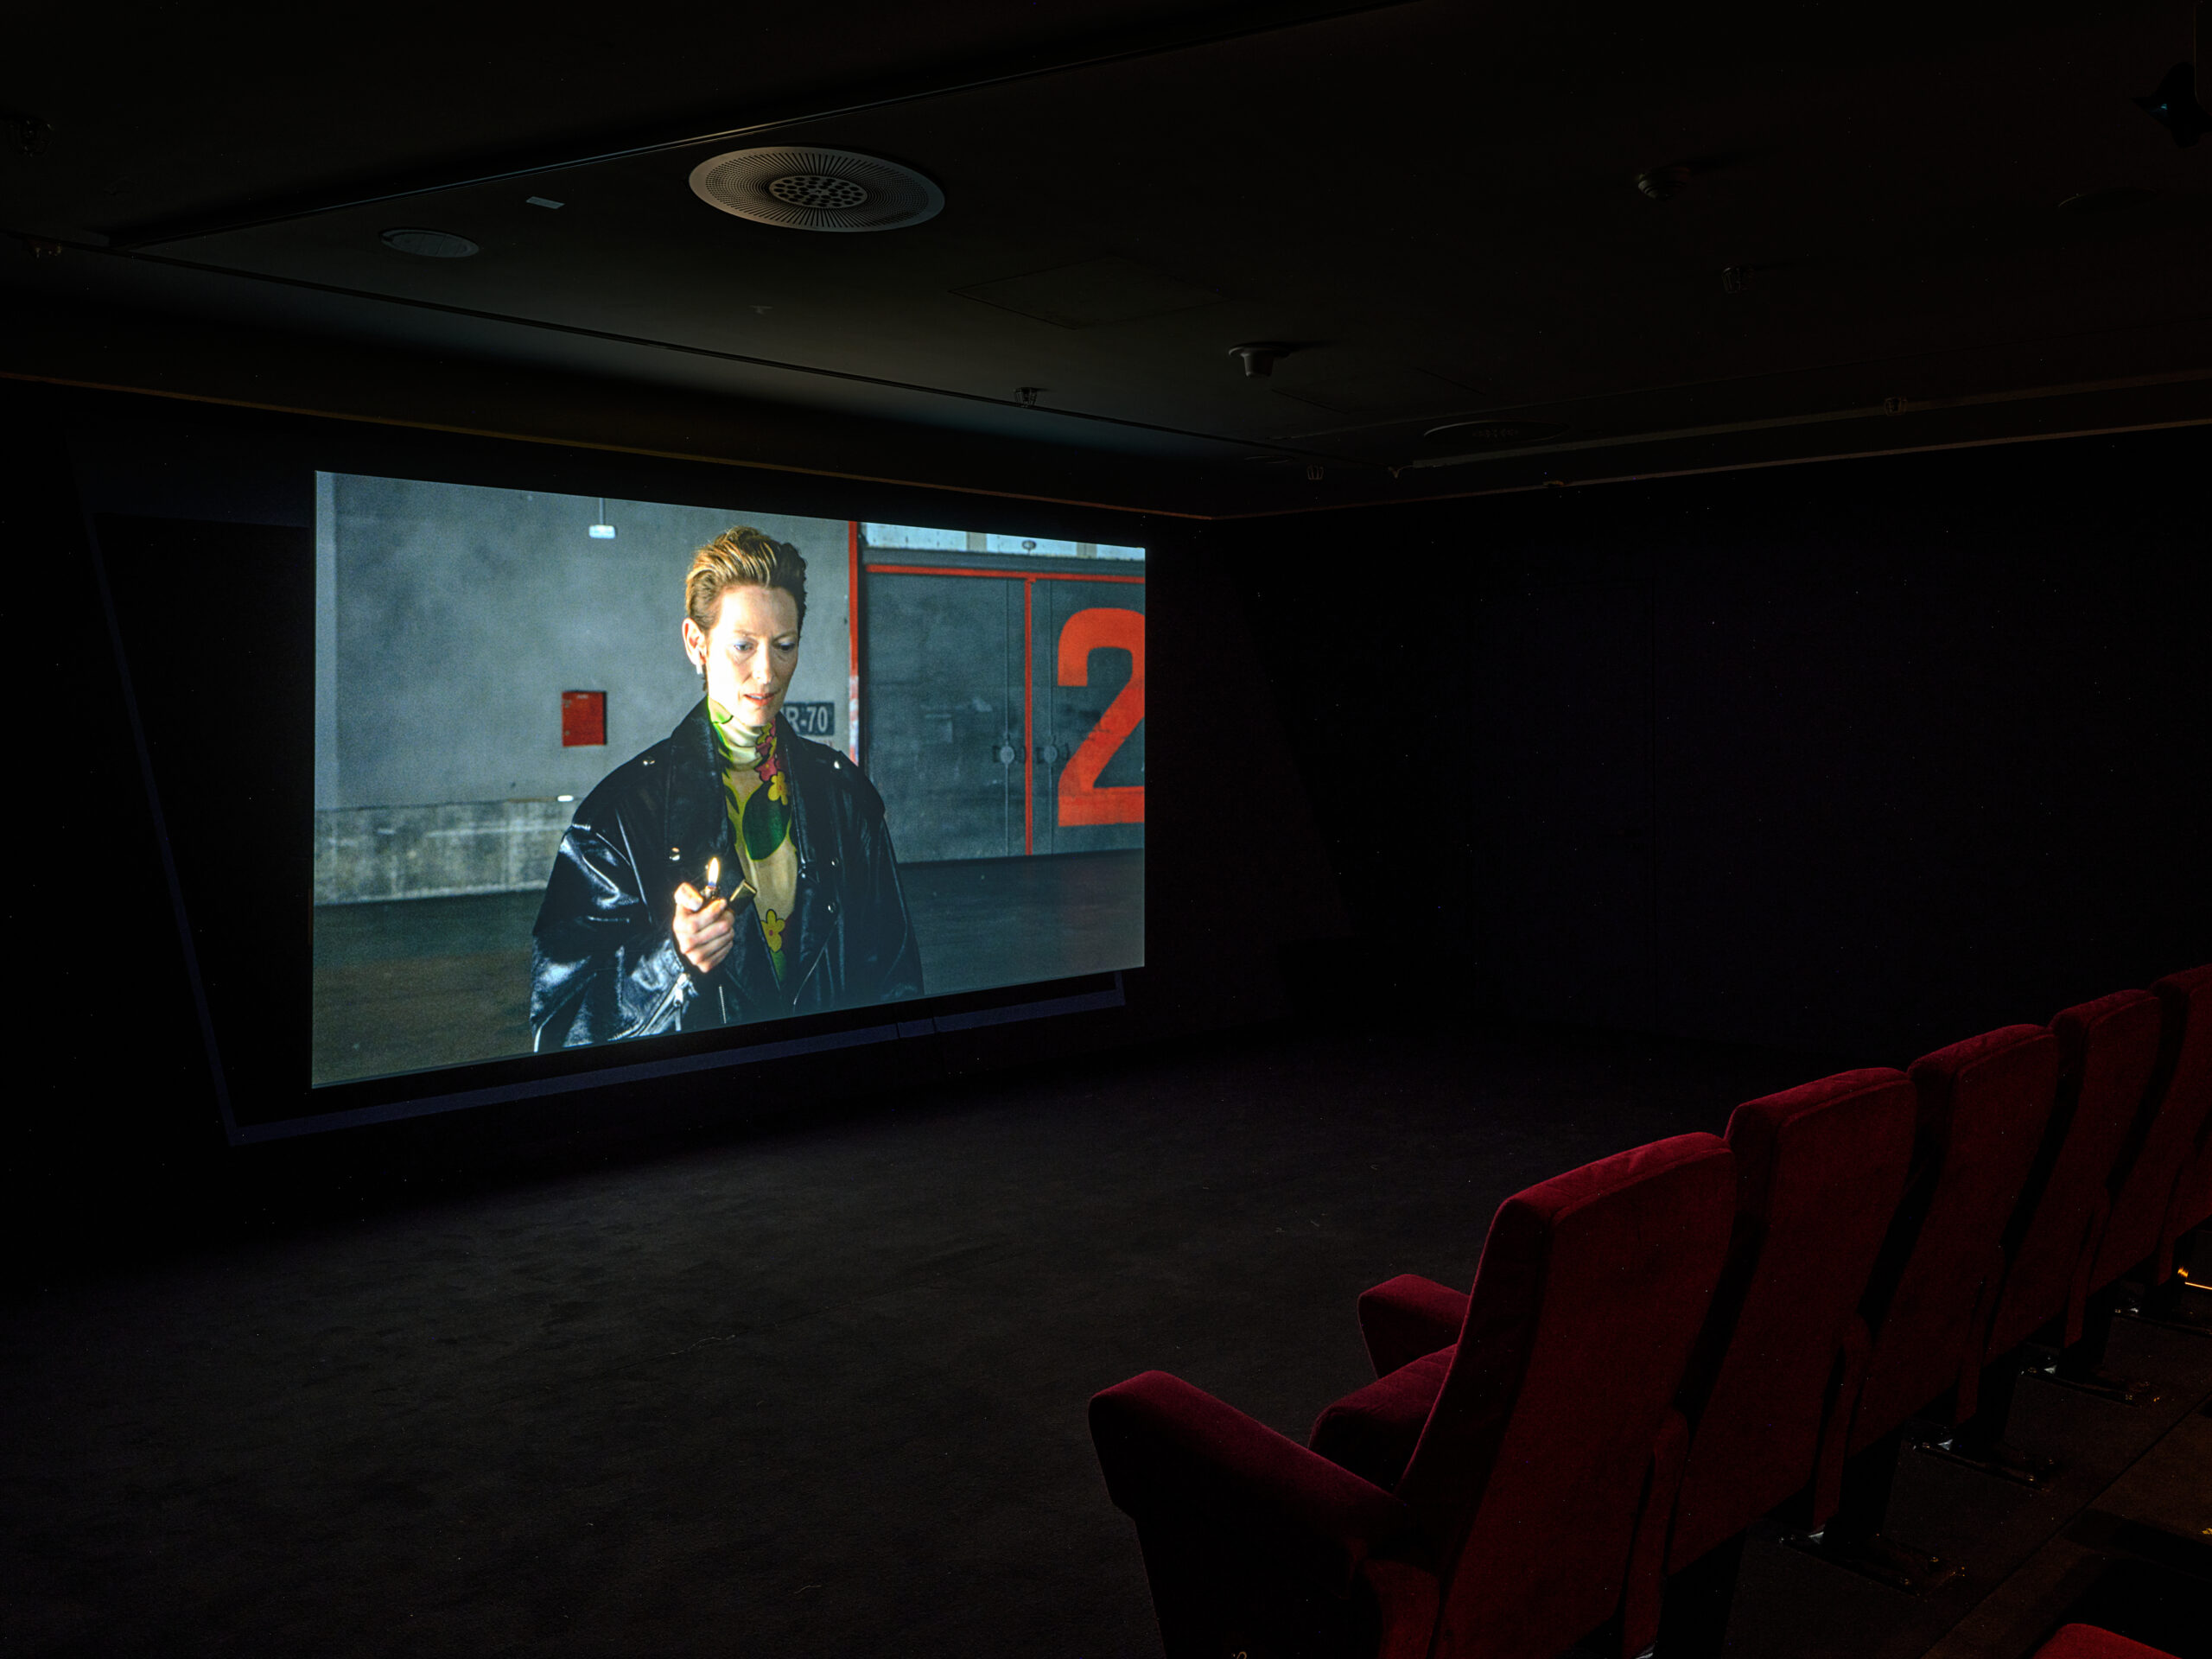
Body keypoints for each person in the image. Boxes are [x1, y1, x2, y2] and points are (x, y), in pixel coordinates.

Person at [530, 527, 921, 1047]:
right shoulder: (618, 818)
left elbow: (896, 979)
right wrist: (671, 959)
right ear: (697, 643)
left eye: (785, 646)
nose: (767, 672)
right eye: (742, 646)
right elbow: (560, 1025)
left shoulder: (844, 797)